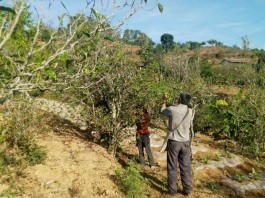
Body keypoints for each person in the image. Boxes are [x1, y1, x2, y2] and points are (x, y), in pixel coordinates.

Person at [160, 93, 194, 196]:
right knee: (185, 166)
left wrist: (164, 101)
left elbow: (162, 111)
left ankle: (173, 190)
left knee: (172, 166)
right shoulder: (190, 110)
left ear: (179, 99)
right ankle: (187, 190)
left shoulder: (172, 109)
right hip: (185, 143)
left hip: (174, 142)